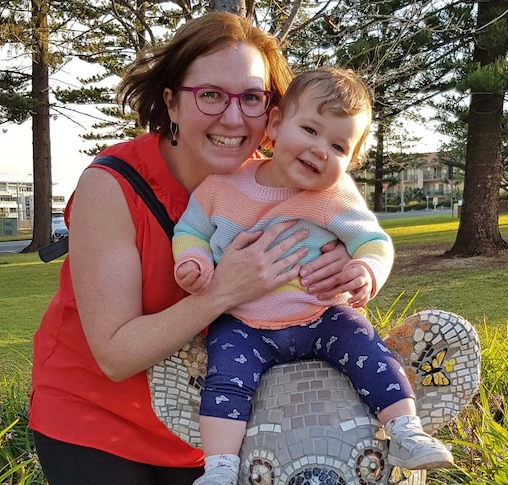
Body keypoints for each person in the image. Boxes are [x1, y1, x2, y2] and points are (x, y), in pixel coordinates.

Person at [28, 13, 352, 485]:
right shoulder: (111, 186)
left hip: (214, 425)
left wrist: (345, 260)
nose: (234, 116)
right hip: (96, 422)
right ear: (172, 103)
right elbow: (115, 355)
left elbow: (355, 238)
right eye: (210, 95)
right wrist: (221, 292)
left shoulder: (284, 181)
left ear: (273, 113)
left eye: (252, 98)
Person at [172, 67, 455, 485]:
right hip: (244, 322)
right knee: (225, 382)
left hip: (321, 314)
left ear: (351, 161)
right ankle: (219, 467)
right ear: (274, 124)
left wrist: (365, 268)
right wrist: (194, 261)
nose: (321, 149)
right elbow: (190, 230)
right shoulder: (222, 187)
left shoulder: (334, 197)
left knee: (370, 351)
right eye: (309, 129)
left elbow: (375, 241)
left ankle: (404, 430)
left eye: (338, 145)